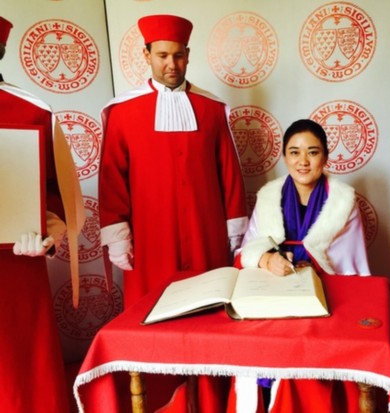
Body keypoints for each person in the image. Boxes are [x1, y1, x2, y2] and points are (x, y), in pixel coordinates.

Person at [98, 14, 248, 412]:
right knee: (151, 325)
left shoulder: (212, 109)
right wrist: (117, 235)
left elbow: (230, 174)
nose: (171, 64)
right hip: (151, 243)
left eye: (178, 56)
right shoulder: (123, 112)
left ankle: (212, 402)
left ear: (188, 55)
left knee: (210, 324)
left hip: (205, 238)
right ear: (146, 54)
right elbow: (112, 178)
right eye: (162, 55)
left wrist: (236, 232)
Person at [231, 118, 371, 412]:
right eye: (294, 152)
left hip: (325, 295)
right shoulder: (269, 197)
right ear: (284, 157)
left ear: (326, 157)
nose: (303, 161)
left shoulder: (343, 202)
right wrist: (267, 259)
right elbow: (249, 250)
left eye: (313, 152)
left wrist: (311, 270)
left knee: (308, 340)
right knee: (256, 336)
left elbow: (349, 264)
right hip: (272, 290)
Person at [0, 15, 85, 413]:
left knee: (22, 376)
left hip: (14, 268)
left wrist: (44, 232)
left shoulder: (33, 110)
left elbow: (59, 193)